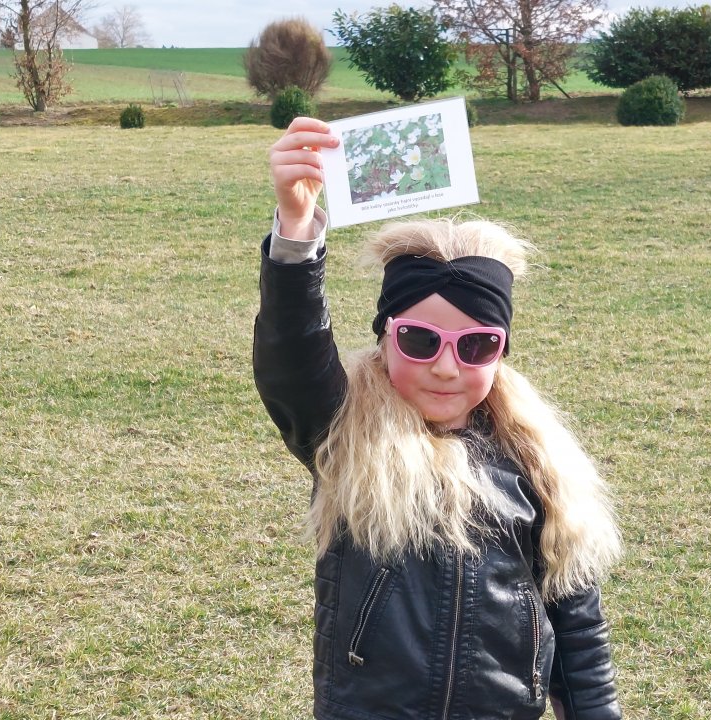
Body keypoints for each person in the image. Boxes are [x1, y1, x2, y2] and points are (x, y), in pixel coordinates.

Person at [253, 117, 624, 720]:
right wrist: (296, 232)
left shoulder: (538, 460)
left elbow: (575, 616)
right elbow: (290, 357)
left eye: (476, 345)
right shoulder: (347, 433)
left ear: (501, 353)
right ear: (384, 339)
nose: (447, 367)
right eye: (420, 340)